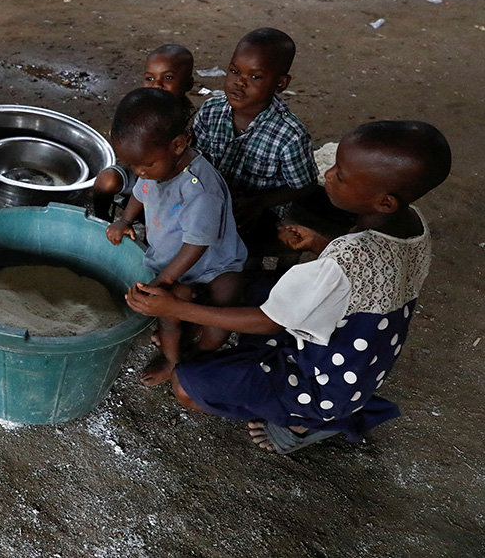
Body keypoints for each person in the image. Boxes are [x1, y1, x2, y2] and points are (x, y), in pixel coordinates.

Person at [125, 121, 450, 454]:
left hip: (324, 384)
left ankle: (303, 422)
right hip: (359, 356)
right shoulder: (413, 226)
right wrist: (321, 244)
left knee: (187, 385)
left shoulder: (345, 259)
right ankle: (273, 384)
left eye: (340, 175)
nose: (327, 175)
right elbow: (370, 274)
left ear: (385, 202)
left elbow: (269, 321)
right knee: (256, 289)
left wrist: (174, 309)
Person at [105, 88, 246, 387]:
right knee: (167, 311)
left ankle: (197, 350)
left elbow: (197, 245)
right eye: (133, 166)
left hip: (214, 266)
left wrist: (165, 280)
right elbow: (140, 193)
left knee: (218, 323)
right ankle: (172, 358)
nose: (140, 172)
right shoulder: (155, 169)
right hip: (173, 261)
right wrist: (124, 219)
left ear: (179, 144)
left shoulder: (200, 190)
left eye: (146, 165)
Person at [192, 28, 318, 254]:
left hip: (256, 209)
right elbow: (196, 157)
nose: (239, 82)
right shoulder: (211, 110)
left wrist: (260, 203)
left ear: (281, 83)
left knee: (231, 243)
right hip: (210, 196)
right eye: (234, 71)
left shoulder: (289, 135)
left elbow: (304, 185)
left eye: (255, 77)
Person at [92, 44, 196, 222]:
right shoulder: (138, 107)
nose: (157, 85)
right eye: (149, 78)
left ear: (188, 84)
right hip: (142, 174)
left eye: (168, 77)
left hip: (173, 182)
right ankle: (101, 221)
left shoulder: (192, 119)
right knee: (107, 180)